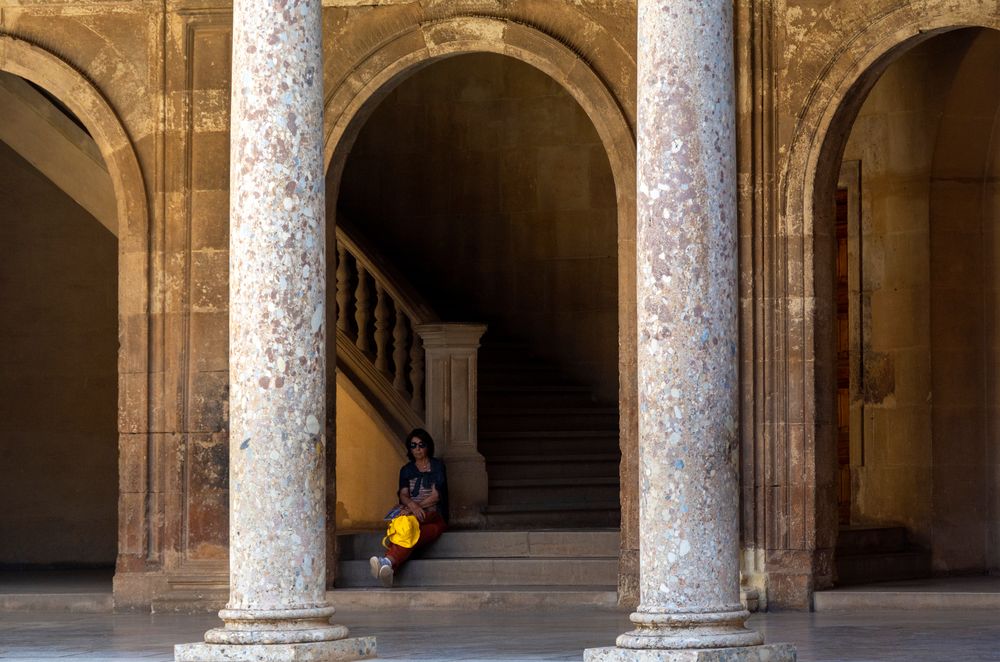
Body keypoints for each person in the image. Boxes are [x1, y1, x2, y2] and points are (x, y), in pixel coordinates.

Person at [369, 428, 448, 587]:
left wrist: (414, 507)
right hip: (413, 518)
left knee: (408, 532)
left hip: (434, 517)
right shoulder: (406, 470)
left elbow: (436, 496)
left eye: (421, 445)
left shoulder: (437, 466)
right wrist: (412, 505)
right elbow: (403, 495)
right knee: (409, 531)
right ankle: (389, 566)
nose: (417, 449)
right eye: (413, 445)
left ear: (428, 446)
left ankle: (387, 561)